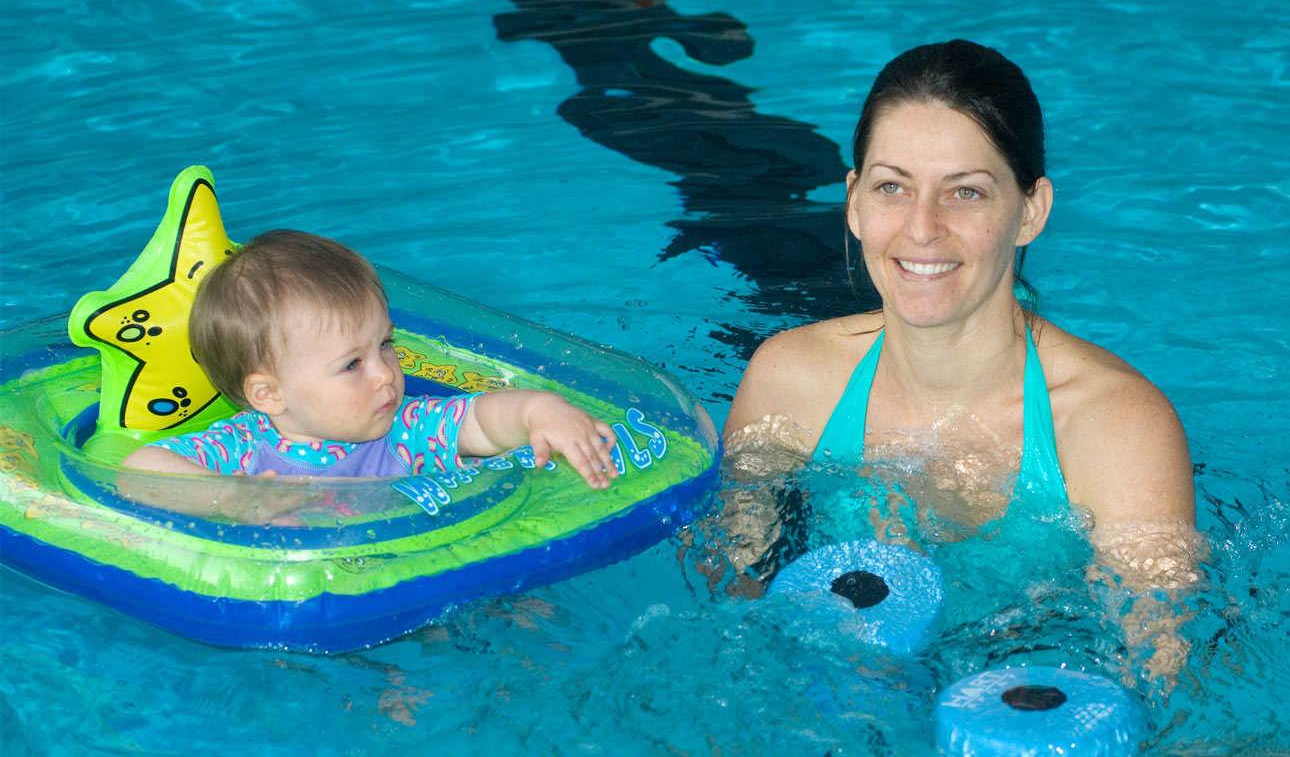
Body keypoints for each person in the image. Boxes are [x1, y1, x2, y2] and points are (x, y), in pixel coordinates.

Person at [725, 39, 1193, 529]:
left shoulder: (1116, 429)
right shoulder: (789, 383)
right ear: (855, 202)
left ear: (1031, 212)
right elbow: (732, 571)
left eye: (965, 192)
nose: (922, 228)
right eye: (891, 186)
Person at [123, 230, 619, 519]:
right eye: (352, 364)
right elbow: (138, 471)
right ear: (269, 394)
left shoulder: (405, 430)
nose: (385, 374)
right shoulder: (242, 449)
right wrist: (231, 496)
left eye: (385, 344)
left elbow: (483, 421)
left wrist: (539, 411)